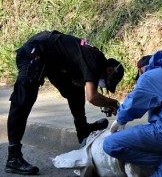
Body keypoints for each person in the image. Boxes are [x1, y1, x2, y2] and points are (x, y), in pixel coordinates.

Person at [5, 30, 124, 175]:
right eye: (108, 81)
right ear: (109, 70)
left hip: (51, 61)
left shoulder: (92, 58)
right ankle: (13, 158)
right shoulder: (93, 60)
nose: (104, 85)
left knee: (75, 89)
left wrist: (107, 102)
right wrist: (114, 103)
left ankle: (83, 130)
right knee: (23, 101)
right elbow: (92, 97)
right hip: (34, 53)